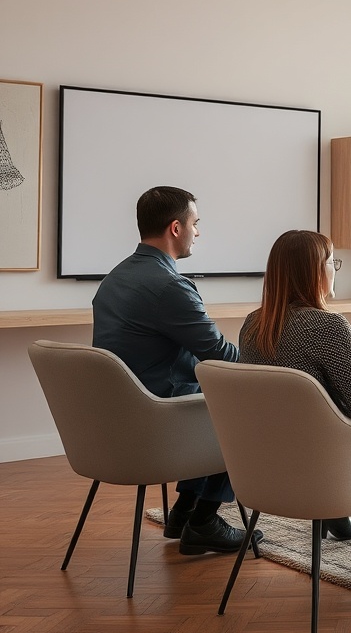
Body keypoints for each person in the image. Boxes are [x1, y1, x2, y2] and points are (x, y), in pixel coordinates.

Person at [238, 230, 351, 596]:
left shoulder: (252, 325)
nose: (335, 270)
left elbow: (307, 394)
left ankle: (337, 519)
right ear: (315, 270)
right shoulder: (327, 326)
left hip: (263, 473)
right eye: (331, 262)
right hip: (327, 473)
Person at [92, 186, 262, 555]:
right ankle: (203, 520)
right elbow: (219, 354)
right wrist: (269, 364)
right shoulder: (169, 286)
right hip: (156, 417)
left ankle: (183, 512)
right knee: (244, 407)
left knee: (212, 395)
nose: (197, 232)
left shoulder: (115, 278)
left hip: (118, 415)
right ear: (175, 228)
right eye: (195, 224)